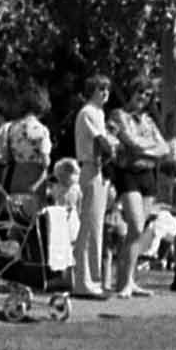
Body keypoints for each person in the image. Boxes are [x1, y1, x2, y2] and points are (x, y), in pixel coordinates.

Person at [105, 95, 171, 299]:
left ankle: (128, 280)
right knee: (134, 224)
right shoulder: (118, 116)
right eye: (139, 92)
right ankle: (123, 282)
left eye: (147, 95)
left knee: (139, 230)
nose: (143, 98)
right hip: (128, 173)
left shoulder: (149, 120)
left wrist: (145, 149)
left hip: (148, 175)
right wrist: (149, 147)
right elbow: (131, 143)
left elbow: (165, 148)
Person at [70, 74, 113, 299]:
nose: (105, 93)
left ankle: (93, 279)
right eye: (101, 89)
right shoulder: (88, 112)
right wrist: (116, 151)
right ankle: (84, 282)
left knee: (96, 225)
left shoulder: (99, 113)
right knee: (89, 226)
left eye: (107, 89)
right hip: (90, 167)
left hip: (98, 170)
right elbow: (101, 142)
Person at [0, 90, 52, 200]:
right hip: (35, 178)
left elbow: (5, 156)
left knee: (17, 211)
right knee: (33, 212)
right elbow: (46, 161)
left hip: (16, 176)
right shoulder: (41, 130)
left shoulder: (9, 128)